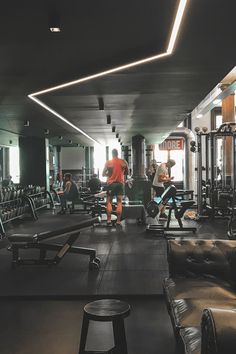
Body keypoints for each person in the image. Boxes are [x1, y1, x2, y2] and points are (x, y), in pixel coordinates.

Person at [102, 148, 128, 226]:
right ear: (117, 154)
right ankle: (118, 221)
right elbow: (127, 172)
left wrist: (109, 174)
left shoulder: (108, 162)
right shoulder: (123, 162)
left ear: (112, 154)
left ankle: (109, 220)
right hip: (120, 184)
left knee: (109, 202)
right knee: (119, 202)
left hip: (111, 184)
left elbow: (103, 174)